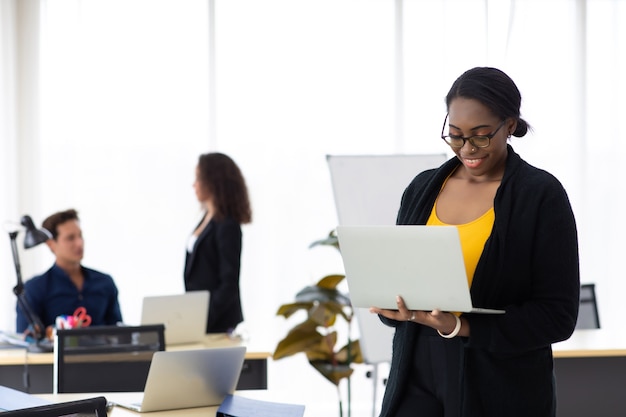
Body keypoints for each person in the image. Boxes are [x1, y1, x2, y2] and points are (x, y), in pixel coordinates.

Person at [370, 67, 580, 417]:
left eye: (480, 136)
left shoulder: (541, 196)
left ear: (510, 125)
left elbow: (557, 316)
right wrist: (394, 307)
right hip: (416, 371)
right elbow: (402, 280)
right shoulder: (422, 189)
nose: (467, 149)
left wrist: (462, 326)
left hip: (500, 381)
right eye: (455, 136)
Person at [16, 209, 123, 334]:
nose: (79, 243)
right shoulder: (34, 288)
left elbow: (119, 332)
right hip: (56, 353)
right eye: (70, 238)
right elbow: (25, 341)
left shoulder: (105, 282)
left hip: (101, 353)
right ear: (51, 244)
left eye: (80, 236)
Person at [184, 152, 252, 334]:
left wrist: (205, 319)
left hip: (218, 323)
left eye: (198, 178)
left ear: (212, 181)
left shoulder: (227, 225)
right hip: (199, 319)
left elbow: (228, 282)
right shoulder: (206, 219)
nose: (194, 184)